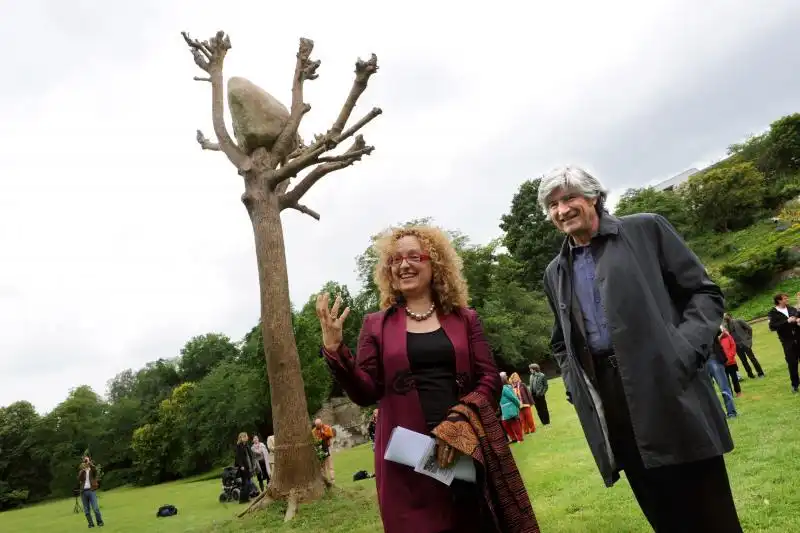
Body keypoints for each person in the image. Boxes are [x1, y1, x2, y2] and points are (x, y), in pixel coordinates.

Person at [538, 166, 741, 532]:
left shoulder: (645, 229)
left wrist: (683, 351)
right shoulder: (556, 271)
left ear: (594, 197)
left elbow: (703, 293)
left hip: (668, 382)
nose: (561, 210)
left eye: (569, 198)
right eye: (552, 204)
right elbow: (560, 341)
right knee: (662, 512)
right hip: (612, 397)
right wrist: (575, 384)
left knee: (709, 510)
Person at [316, 224, 539, 533]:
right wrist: (335, 350)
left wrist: (460, 425)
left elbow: (488, 377)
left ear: (435, 264)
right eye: (394, 259)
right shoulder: (375, 325)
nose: (403, 265)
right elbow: (366, 392)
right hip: (406, 461)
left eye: (414, 256)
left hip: (463, 450)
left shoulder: (465, 318)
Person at [767, 293, 800, 393]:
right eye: (785, 299)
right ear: (779, 301)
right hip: (787, 342)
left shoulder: (791, 309)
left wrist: (798, 319)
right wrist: (787, 321)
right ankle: (795, 385)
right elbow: (772, 327)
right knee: (792, 363)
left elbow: (797, 315)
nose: (787, 300)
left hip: (799, 338)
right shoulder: (773, 313)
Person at [723, 313, 764, 379]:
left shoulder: (738, 321)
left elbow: (749, 328)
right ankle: (750, 375)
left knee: (752, 358)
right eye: (724, 317)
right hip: (736, 346)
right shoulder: (725, 326)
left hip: (745, 343)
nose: (725, 318)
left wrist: (749, 339)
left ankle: (760, 373)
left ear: (730, 316)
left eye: (726, 316)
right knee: (744, 361)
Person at [709, 333, 738, 418]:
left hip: (712, 357)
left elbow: (719, 331)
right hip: (704, 359)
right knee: (713, 390)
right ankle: (724, 414)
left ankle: (731, 412)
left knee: (723, 388)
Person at [77, 456, 104, 528]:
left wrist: (90, 463)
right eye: (85, 461)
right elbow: (79, 478)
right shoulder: (82, 471)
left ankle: (100, 522)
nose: (86, 462)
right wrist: (83, 469)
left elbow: (95, 470)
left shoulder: (92, 470)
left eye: (87, 460)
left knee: (95, 508)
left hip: (91, 490)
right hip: (83, 492)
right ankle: (91, 524)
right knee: (86, 510)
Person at [499, 372, 525, 442]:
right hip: (506, 409)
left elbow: (513, 397)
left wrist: (519, 404)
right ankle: (514, 438)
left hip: (510, 409)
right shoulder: (502, 388)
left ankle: (520, 438)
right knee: (508, 424)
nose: (507, 377)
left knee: (515, 423)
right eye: (506, 376)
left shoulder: (505, 388)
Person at [234, 432, 258, 503]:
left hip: (248, 466)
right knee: (245, 483)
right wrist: (241, 466)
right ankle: (243, 499)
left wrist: (252, 465)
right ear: (242, 438)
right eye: (246, 436)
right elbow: (238, 457)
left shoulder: (246, 445)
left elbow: (250, 456)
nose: (247, 437)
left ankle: (246, 497)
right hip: (243, 468)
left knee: (248, 483)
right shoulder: (239, 446)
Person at [719, 327, 742, 397]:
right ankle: (730, 393)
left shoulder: (728, 337)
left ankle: (738, 392)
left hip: (731, 361)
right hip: (722, 363)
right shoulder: (716, 340)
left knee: (734, 378)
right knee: (726, 379)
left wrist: (731, 356)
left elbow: (733, 346)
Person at [312, 419, 336, 485]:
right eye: (317, 426)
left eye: (319, 425)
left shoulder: (327, 428)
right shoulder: (314, 431)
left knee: (330, 465)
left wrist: (323, 433)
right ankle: (326, 481)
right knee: (323, 467)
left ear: (321, 423)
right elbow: (314, 440)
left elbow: (330, 435)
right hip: (320, 450)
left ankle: (332, 480)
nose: (318, 427)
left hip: (327, 448)